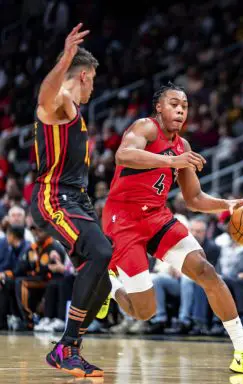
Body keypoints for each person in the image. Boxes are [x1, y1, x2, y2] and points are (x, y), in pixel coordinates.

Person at [103, 83, 243, 374]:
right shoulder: (145, 128)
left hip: (157, 217)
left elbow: (194, 199)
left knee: (206, 270)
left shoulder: (184, 148)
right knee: (144, 312)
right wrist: (171, 160)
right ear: (159, 107)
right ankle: (111, 287)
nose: (180, 110)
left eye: (184, 106)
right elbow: (124, 156)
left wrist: (229, 204)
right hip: (124, 220)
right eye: (173, 104)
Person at [30, 24, 112, 377]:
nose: (93, 88)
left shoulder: (74, 111)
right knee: (101, 253)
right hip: (56, 197)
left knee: (102, 280)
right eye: (92, 80)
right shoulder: (61, 102)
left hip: (77, 201)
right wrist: (64, 57)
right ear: (82, 75)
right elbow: (44, 97)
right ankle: (66, 345)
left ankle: (68, 349)